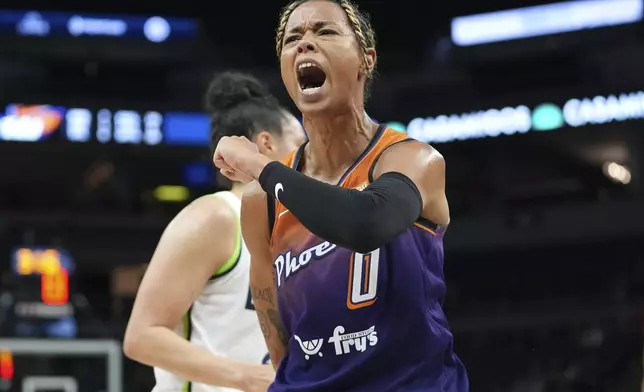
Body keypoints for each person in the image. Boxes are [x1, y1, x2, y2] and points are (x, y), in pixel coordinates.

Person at [212, 0, 470, 391]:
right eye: (292, 38)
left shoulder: (411, 159)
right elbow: (273, 322)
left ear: (366, 60)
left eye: (325, 31)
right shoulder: (259, 202)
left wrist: (261, 166)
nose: (305, 44)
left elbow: (366, 222)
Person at [124, 72, 306, 392]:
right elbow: (142, 336)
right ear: (267, 143)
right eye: (301, 145)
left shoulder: (299, 232)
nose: (310, 158)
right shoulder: (217, 216)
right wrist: (247, 377)